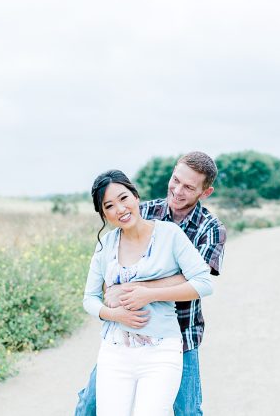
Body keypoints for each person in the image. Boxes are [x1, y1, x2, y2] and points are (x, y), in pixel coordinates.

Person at [76, 151, 226, 416]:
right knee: (89, 403)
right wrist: (117, 301)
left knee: (187, 411)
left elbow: (196, 278)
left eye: (189, 187)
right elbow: (107, 273)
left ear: (205, 192)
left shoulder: (210, 227)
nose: (178, 190)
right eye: (175, 180)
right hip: (124, 332)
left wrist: (137, 290)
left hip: (182, 331)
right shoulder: (141, 210)